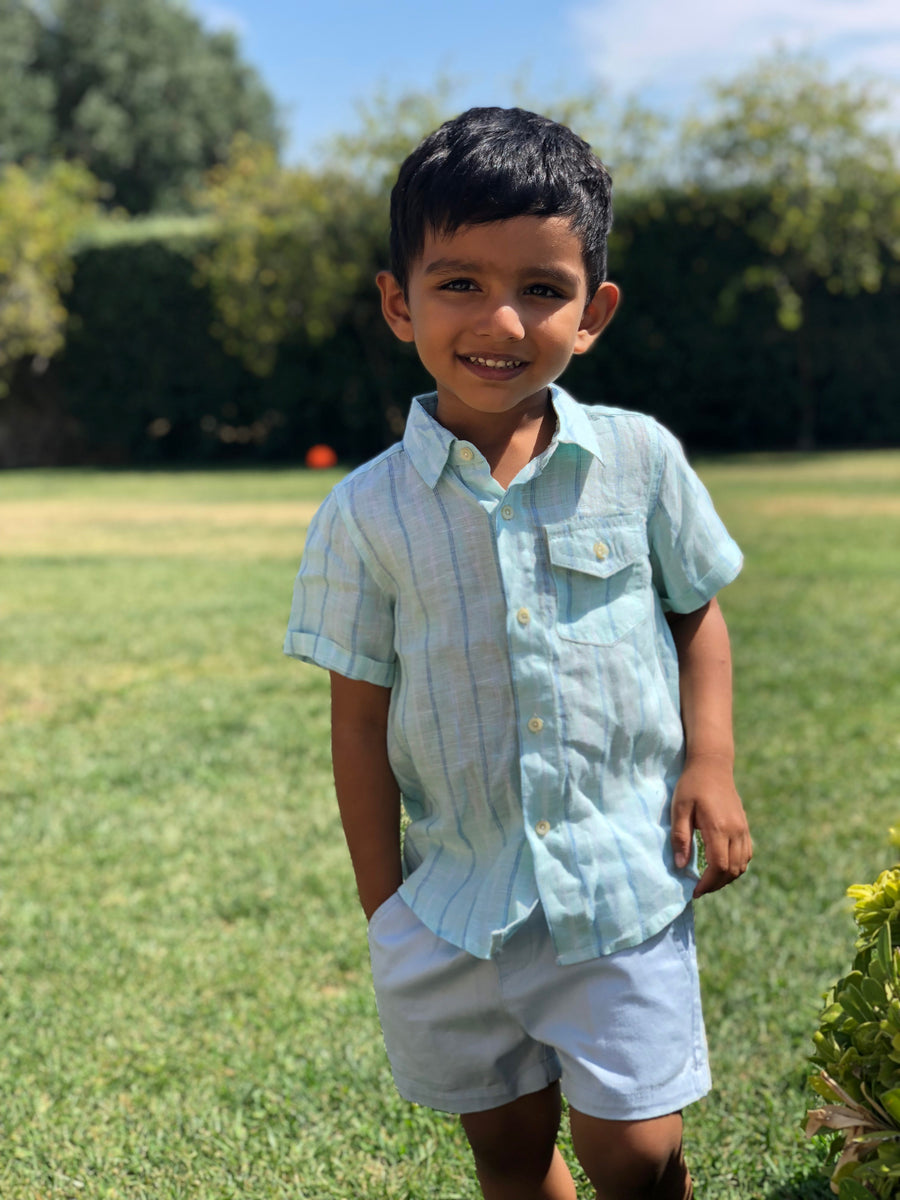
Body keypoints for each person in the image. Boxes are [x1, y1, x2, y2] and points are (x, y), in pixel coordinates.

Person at [284, 106, 752, 1200]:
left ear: (595, 312)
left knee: (635, 1152)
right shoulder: (366, 513)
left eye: (543, 288)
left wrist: (711, 764)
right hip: (452, 904)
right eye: (459, 283)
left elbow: (699, 614)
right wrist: (383, 908)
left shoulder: (639, 461)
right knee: (505, 1146)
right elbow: (358, 717)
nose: (502, 317)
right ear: (400, 303)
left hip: (621, 881)